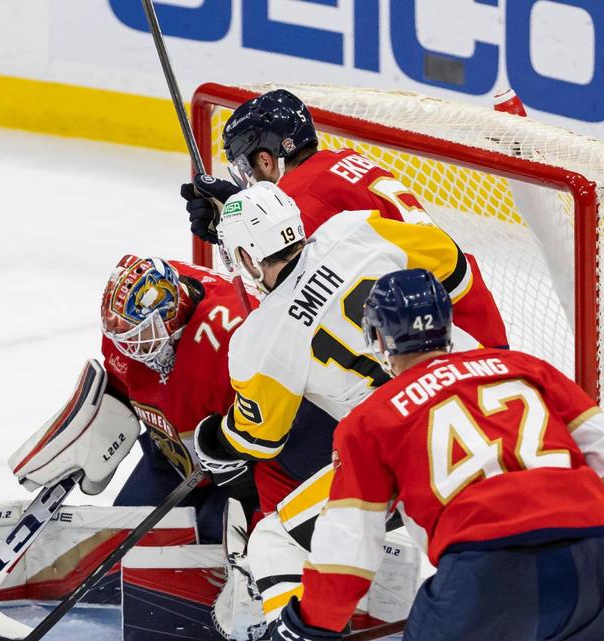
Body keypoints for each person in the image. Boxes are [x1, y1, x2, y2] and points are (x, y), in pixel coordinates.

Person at [194, 182, 510, 632]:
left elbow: (259, 437)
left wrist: (214, 438)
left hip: (408, 452)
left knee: (275, 540)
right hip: (493, 404)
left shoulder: (259, 341)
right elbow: (453, 268)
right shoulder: (353, 228)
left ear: (245, 257)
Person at [267, 268, 604, 640]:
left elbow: (348, 550)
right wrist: (580, 537)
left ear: (380, 339)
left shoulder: (369, 419)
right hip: (600, 565)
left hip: (485, 577)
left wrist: (310, 625)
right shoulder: (527, 368)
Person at [180, 88, 507, 351]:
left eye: (246, 169)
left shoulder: (299, 200)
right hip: (471, 315)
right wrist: (233, 224)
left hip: (439, 340)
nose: (246, 179)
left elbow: (287, 302)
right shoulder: (342, 162)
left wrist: (236, 229)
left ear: (265, 160)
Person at [99, 254, 259, 542]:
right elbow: (121, 382)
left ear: (170, 316)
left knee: (214, 545)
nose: (128, 348)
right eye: (122, 338)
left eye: (139, 335)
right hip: (172, 453)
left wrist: (246, 463)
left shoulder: (236, 333)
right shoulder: (140, 321)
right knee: (121, 535)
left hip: (242, 468)